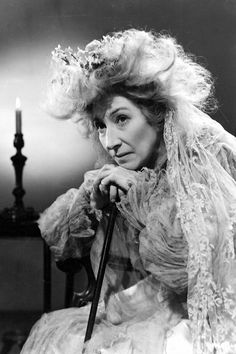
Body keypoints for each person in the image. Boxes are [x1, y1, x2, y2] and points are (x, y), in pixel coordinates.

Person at [21, 29, 236, 354]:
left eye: (121, 118)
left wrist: (143, 199)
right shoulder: (112, 173)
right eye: (101, 125)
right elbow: (62, 247)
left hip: (191, 325)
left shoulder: (202, 166)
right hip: (122, 317)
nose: (110, 141)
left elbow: (192, 275)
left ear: (156, 112)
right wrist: (93, 207)